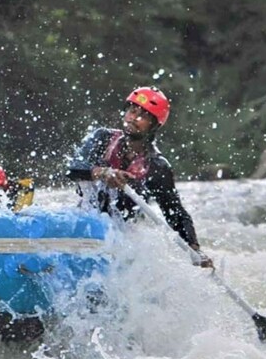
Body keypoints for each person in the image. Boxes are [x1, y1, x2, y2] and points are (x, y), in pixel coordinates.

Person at [66, 86, 214, 268]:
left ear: (154, 126)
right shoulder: (103, 138)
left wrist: (194, 248)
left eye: (143, 116)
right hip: (87, 222)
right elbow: (72, 168)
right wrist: (103, 172)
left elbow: (175, 213)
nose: (133, 118)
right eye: (132, 110)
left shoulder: (157, 167)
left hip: (120, 237)